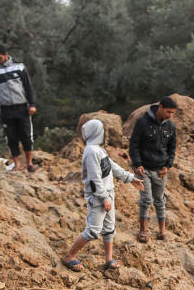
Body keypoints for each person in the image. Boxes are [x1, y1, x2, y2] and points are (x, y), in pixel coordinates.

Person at [61, 119, 143, 272]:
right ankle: (70, 256)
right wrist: (104, 198)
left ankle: (109, 259)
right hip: (99, 197)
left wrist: (130, 178)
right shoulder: (91, 151)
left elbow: (112, 167)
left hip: (108, 194)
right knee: (93, 230)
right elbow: (94, 178)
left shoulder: (99, 149)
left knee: (109, 228)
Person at [0, 44, 38, 171]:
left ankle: (29, 164)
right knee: (11, 138)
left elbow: (28, 87)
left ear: (6, 55)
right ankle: (17, 164)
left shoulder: (19, 67)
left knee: (27, 136)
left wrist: (32, 104)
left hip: (22, 108)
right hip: (6, 109)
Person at [129, 97, 177, 242]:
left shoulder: (170, 126)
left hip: (160, 170)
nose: (170, 115)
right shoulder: (142, 123)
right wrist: (137, 164)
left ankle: (162, 231)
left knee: (160, 200)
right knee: (146, 200)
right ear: (160, 107)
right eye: (168, 111)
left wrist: (167, 166)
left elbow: (172, 148)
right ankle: (143, 230)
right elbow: (134, 145)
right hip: (144, 169)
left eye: (173, 113)